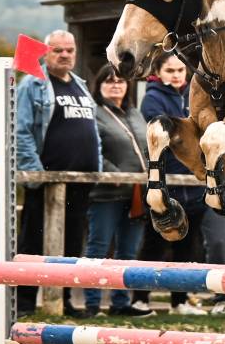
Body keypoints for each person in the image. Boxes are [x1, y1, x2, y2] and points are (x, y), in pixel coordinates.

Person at [15, 31, 101, 317]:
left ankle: (62, 301)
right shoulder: (33, 84)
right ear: (45, 53)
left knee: (72, 244)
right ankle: (25, 303)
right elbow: (21, 130)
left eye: (69, 50)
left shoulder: (81, 85)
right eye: (58, 50)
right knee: (34, 242)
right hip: (46, 182)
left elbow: (93, 131)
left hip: (80, 182)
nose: (65, 55)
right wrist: (36, 174)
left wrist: (96, 166)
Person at [136, 53, 209, 316]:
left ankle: (179, 301)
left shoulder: (193, 95)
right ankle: (140, 298)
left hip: (194, 180)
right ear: (158, 71)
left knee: (187, 245)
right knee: (154, 243)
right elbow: (169, 137)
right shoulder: (152, 98)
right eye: (170, 70)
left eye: (181, 69)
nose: (177, 75)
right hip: (164, 180)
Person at [85, 64, 151, 317]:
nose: (116, 85)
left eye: (120, 81)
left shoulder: (135, 114)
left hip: (137, 193)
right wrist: (113, 173)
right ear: (99, 86)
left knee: (128, 251)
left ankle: (120, 302)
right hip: (106, 193)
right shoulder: (94, 113)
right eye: (109, 81)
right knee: (98, 249)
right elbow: (94, 149)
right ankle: (91, 304)